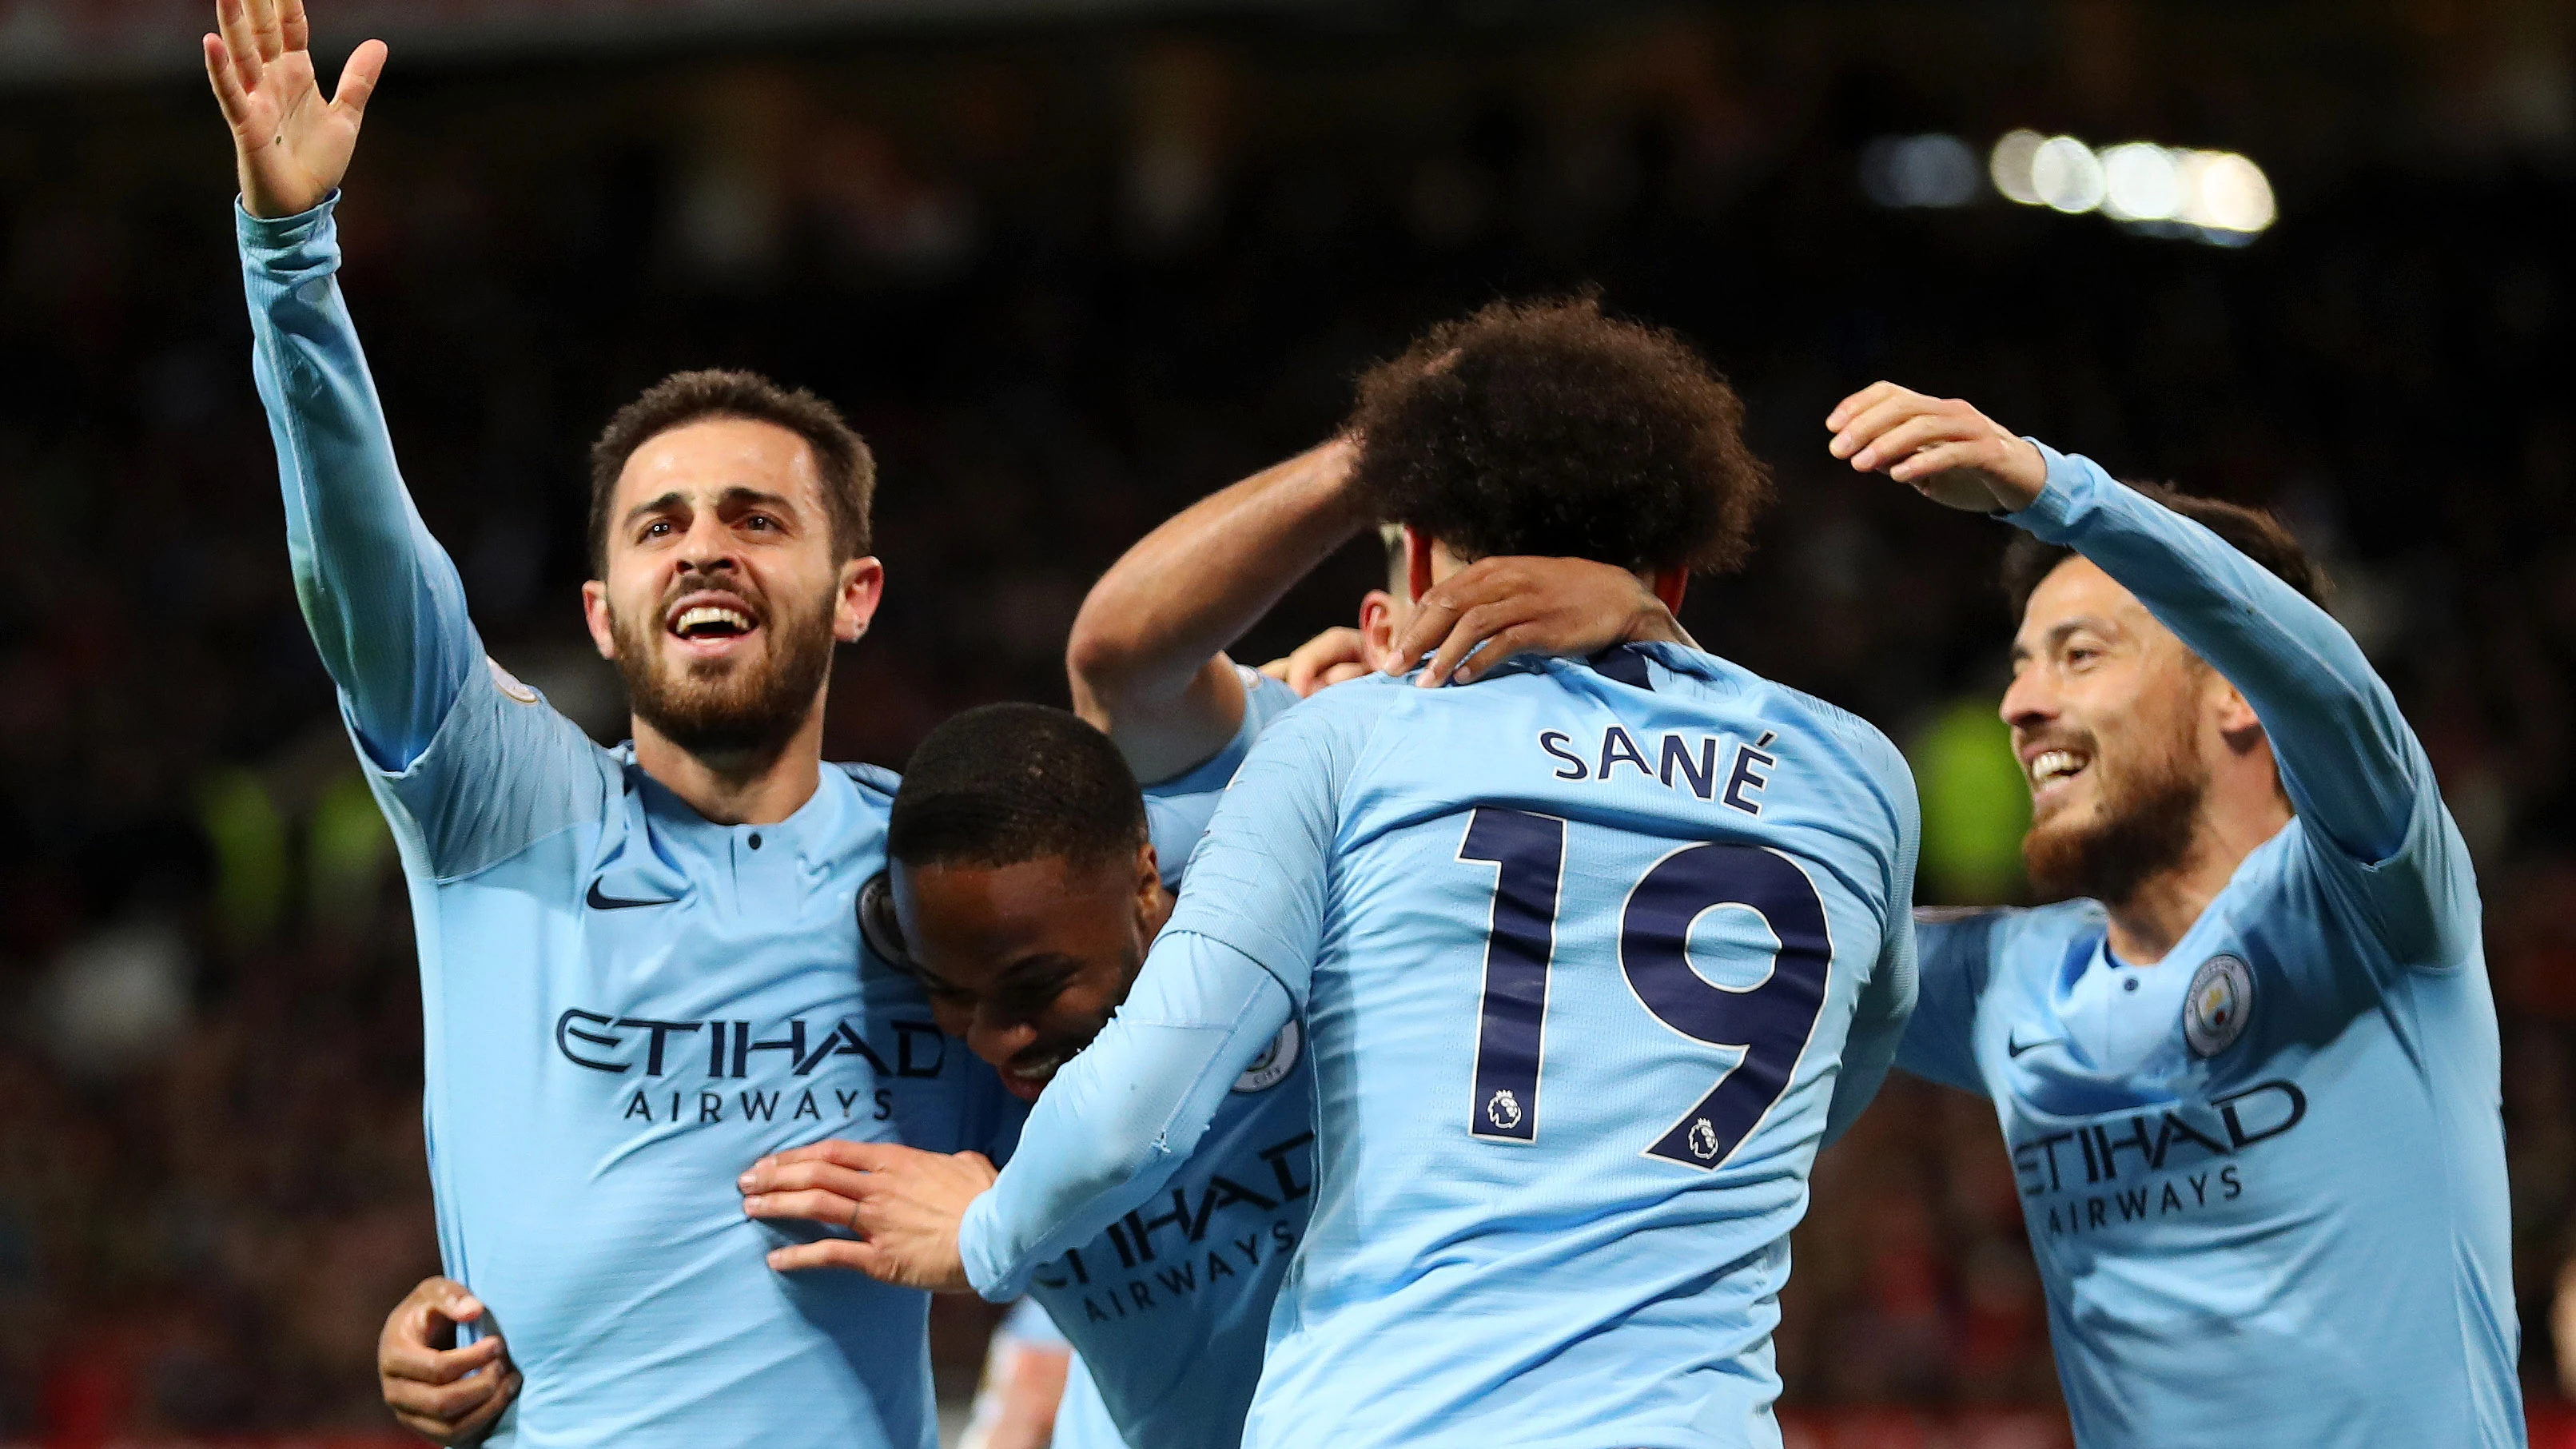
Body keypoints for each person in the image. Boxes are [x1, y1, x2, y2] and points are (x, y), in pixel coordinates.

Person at [772, 298, 1924, 1449]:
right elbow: (1841, 1076)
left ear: (1415, 558)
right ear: (1673, 575)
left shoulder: (1345, 742)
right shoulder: (1854, 774)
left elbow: (1141, 1095)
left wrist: (982, 1233)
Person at [205, 3, 1021, 1444]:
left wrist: (1006, 1218)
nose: (704, 547)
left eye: (756, 519)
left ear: (855, 593)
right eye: (661, 525)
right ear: (601, 611)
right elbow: (361, 564)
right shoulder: (502, 805)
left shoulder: (944, 863)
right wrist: (291, 260)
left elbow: (1131, 1141)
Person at [734, 439, 1685, 1448]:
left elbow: (1118, 658)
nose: (990, 1037)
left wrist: (1627, 608)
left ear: (1149, 876)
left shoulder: (1284, 803)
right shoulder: (923, 1043)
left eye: (1035, 984)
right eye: (950, 991)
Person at [1824, 382, 2522, 1447]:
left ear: (2236, 688)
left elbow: (2333, 696)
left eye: (2079, 652)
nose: (2017, 706)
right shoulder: (2004, 981)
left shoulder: (2369, 907)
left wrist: (2054, 491)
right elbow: (1734, 930)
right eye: (2018, 666)